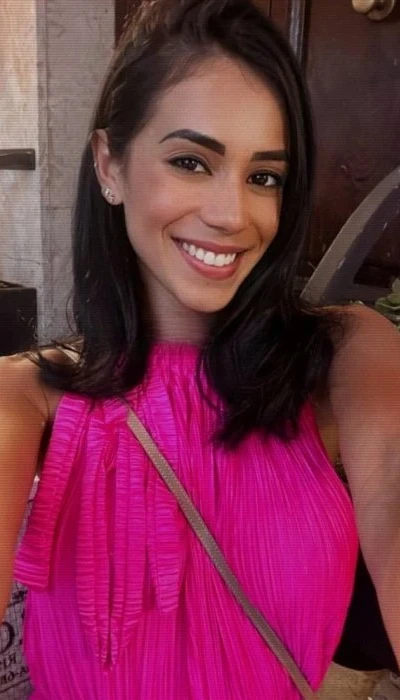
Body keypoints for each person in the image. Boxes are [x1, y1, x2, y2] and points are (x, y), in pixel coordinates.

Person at [1, 0, 399, 697]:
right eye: (191, 161)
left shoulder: (341, 355)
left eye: (264, 177)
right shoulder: (27, 395)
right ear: (110, 165)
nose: (231, 214)